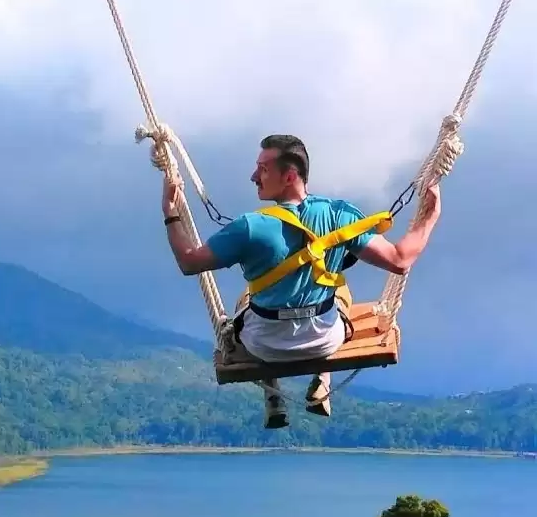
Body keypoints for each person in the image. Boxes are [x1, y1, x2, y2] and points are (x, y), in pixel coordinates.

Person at [161, 133, 442, 428]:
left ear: (289, 176)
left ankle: (273, 395)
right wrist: (430, 216)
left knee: (247, 297)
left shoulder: (249, 227)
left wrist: (170, 212)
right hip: (324, 342)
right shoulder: (340, 216)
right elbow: (399, 259)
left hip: (264, 346)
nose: (254, 176)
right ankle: (322, 378)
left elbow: (189, 261)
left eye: (263, 169)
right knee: (339, 289)